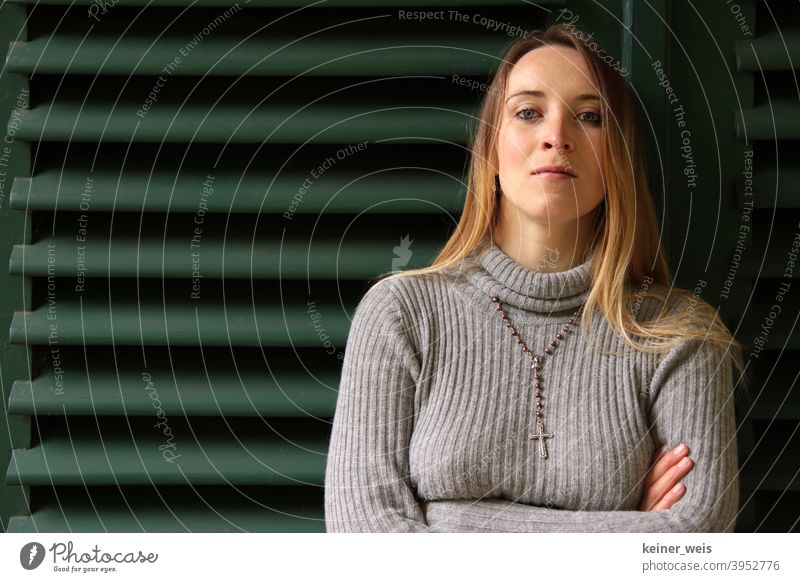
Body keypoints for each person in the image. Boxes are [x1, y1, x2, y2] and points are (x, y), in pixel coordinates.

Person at [324, 23, 747, 533]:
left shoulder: (681, 337)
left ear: (617, 156)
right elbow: (363, 538)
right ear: (491, 150)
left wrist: (451, 521)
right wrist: (621, 531)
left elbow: (695, 540)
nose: (556, 136)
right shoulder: (401, 314)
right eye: (528, 112)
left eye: (589, 117)